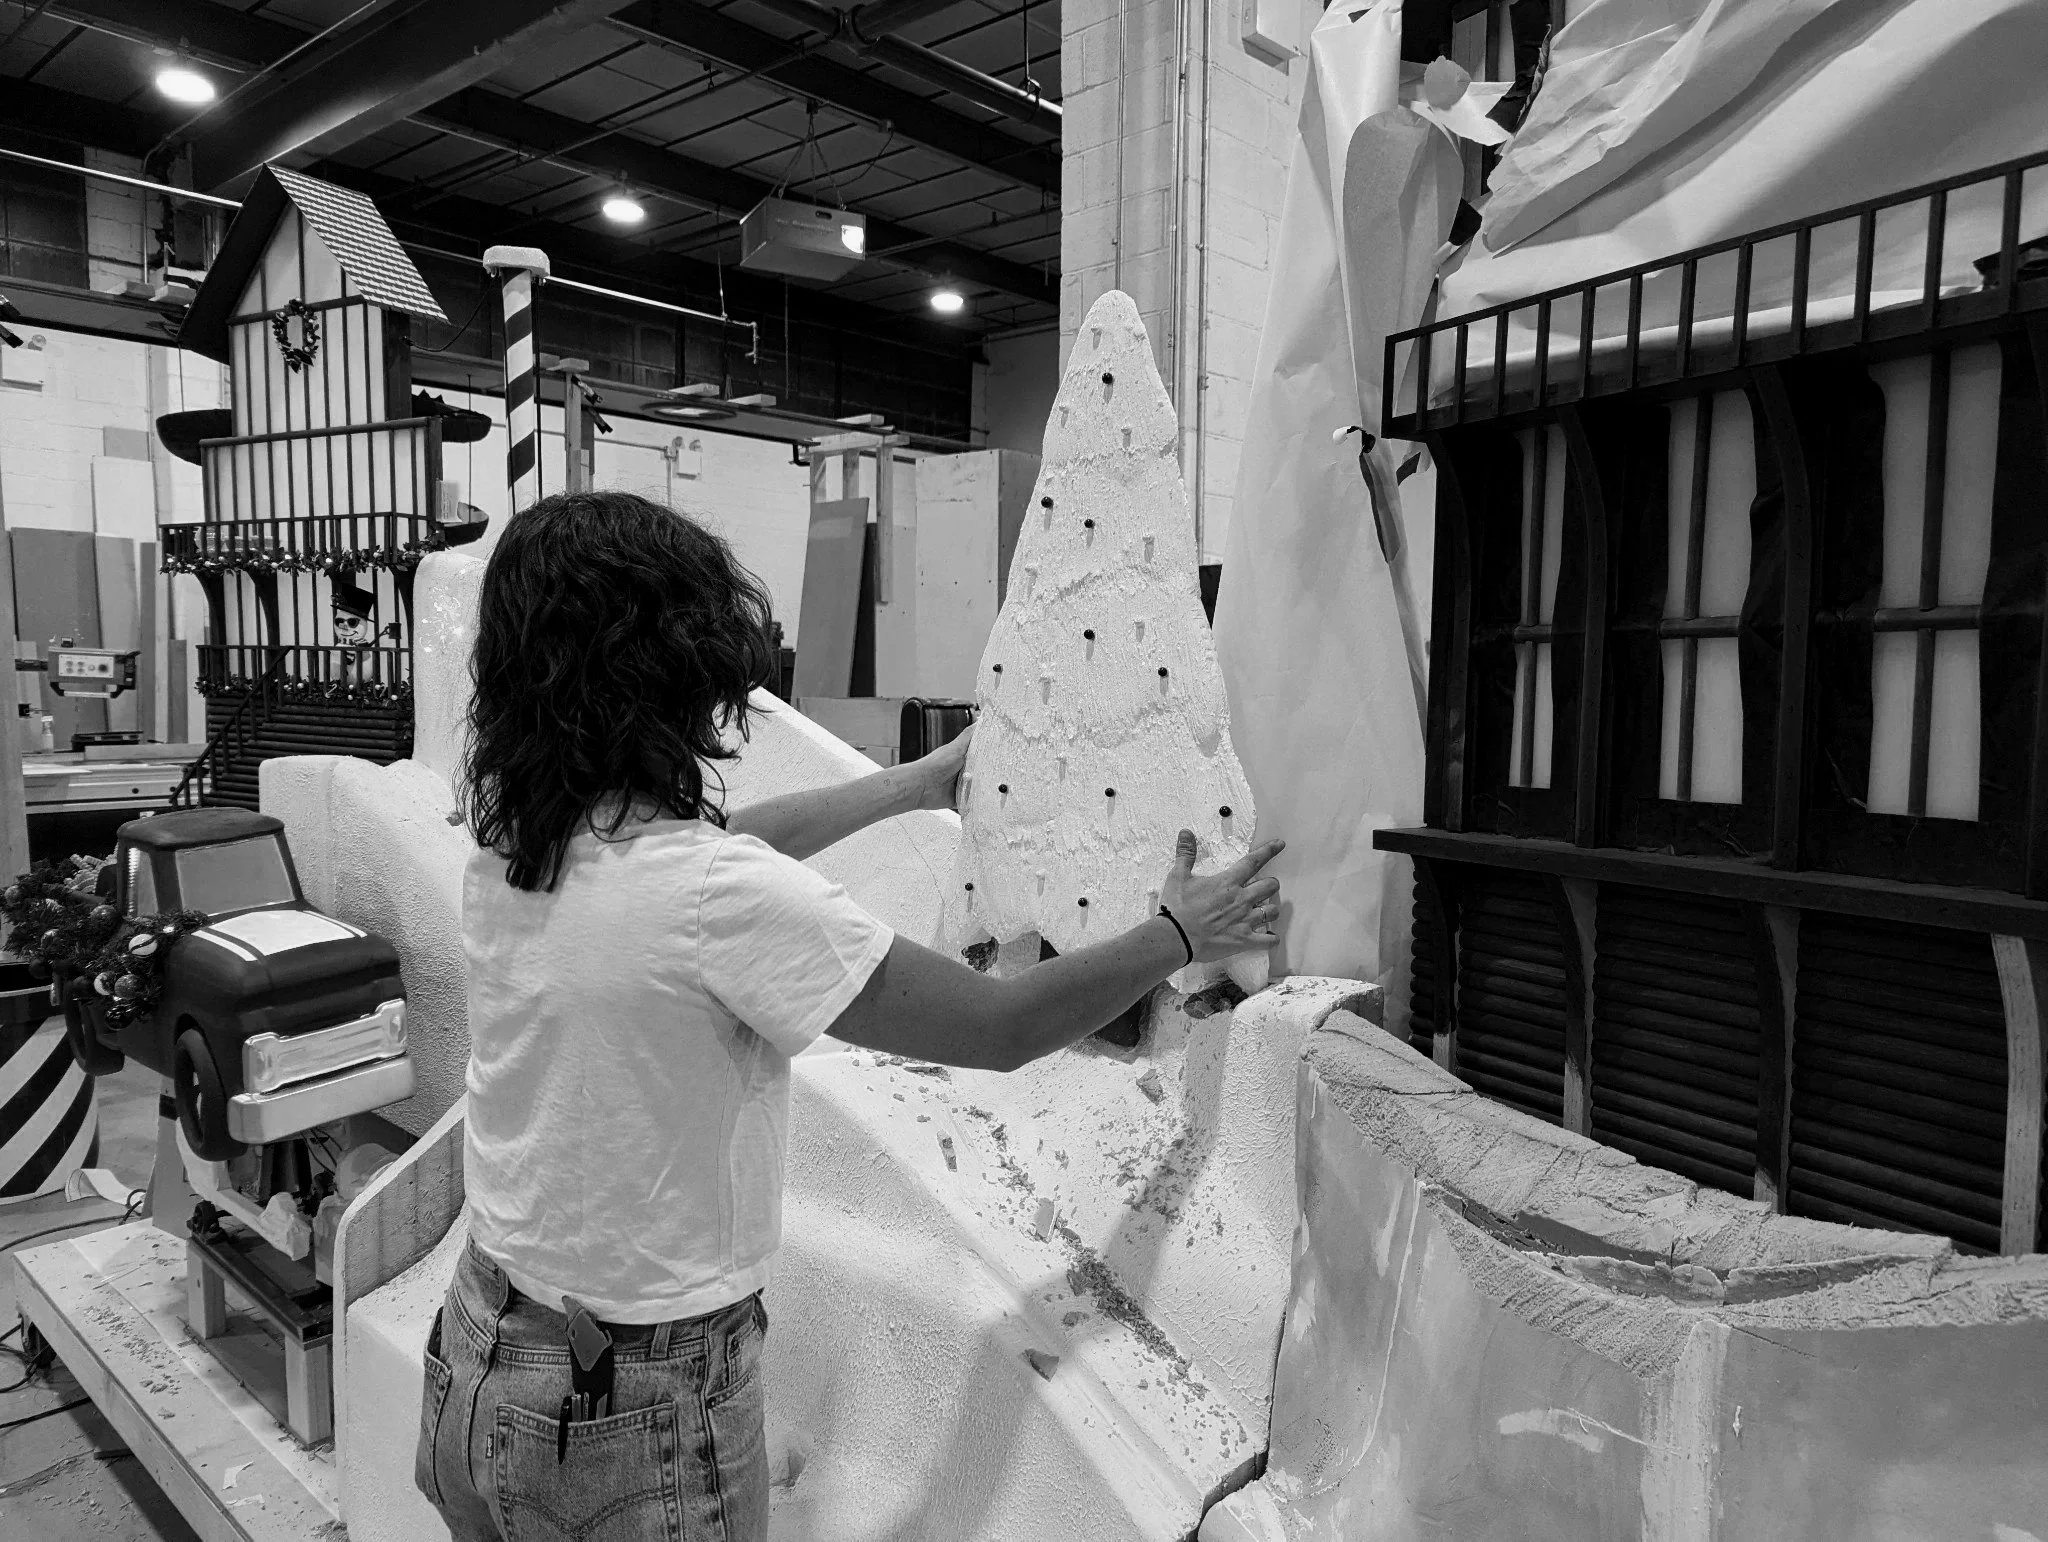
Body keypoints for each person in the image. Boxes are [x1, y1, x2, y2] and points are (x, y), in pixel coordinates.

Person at [414, 490, 1284, 1542]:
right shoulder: (713, 901)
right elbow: (996, 1030)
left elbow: (733, 846)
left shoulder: (517, 850)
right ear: (673, 672)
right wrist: (1175, 937)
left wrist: (910, 787)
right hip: (629, 1402)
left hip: (479, 1352)